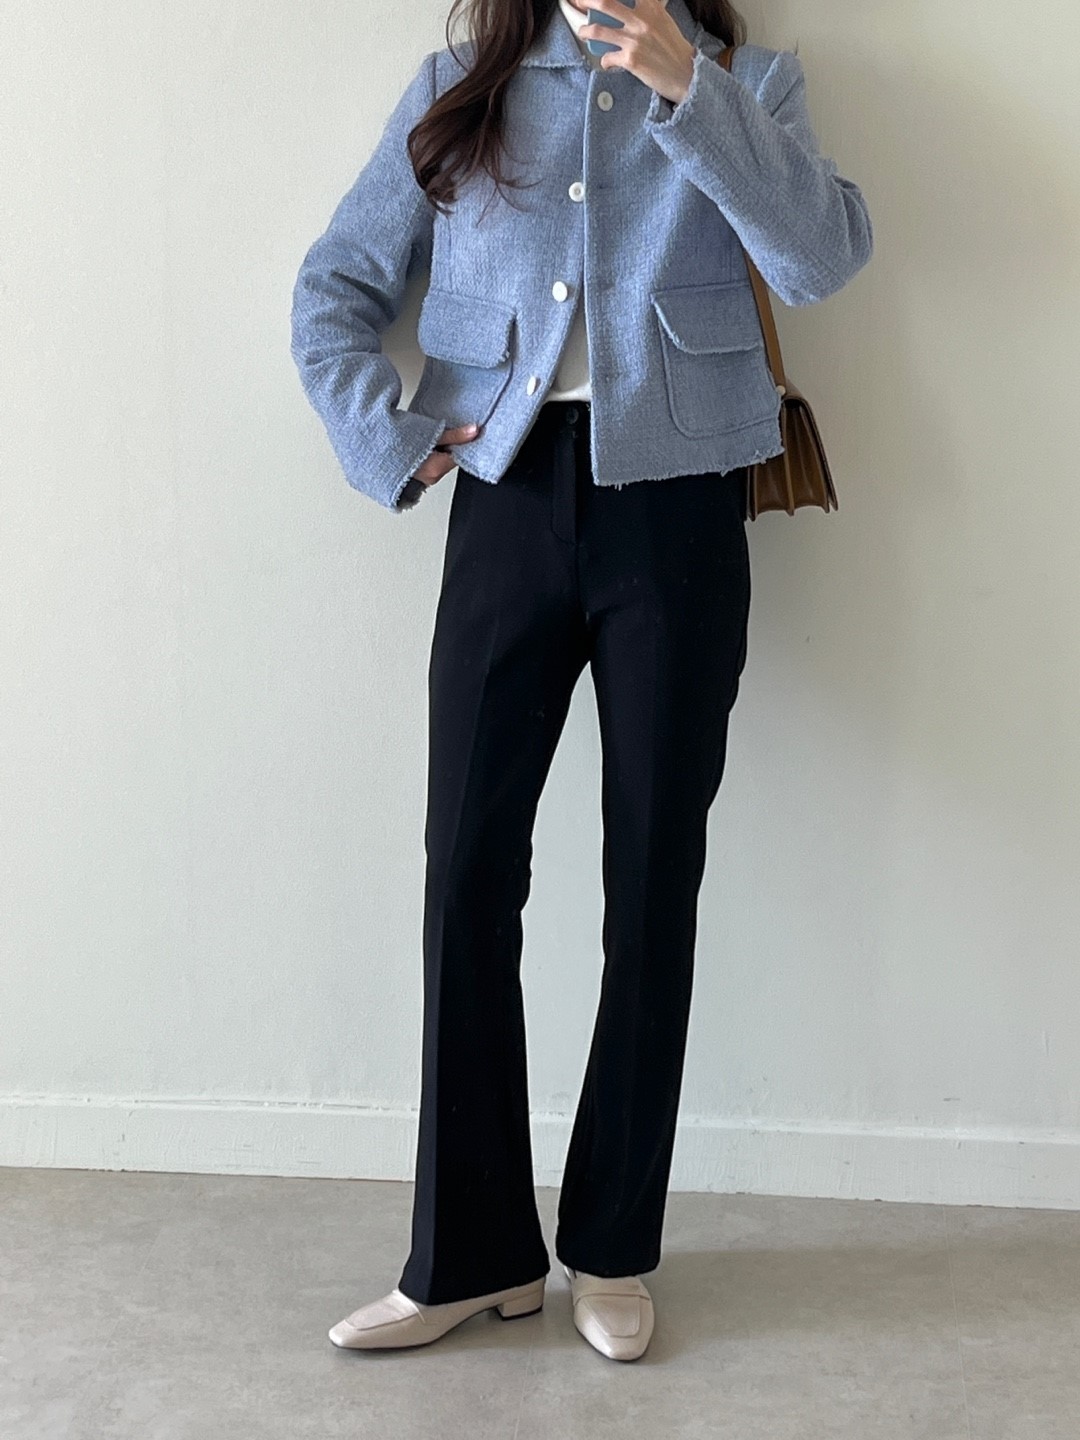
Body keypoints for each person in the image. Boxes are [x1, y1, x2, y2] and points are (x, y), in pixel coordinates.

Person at [290, 0, 873, 1362]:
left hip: (679, 511)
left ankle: (614, 1246)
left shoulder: (748, 83)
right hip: (502, 500)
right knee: (466, 870)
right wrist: (391, 440)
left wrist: (691, 93)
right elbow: (334, 289)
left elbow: (822, 258)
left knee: (654, 876)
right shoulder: (465, 86)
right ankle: (469, 1255)